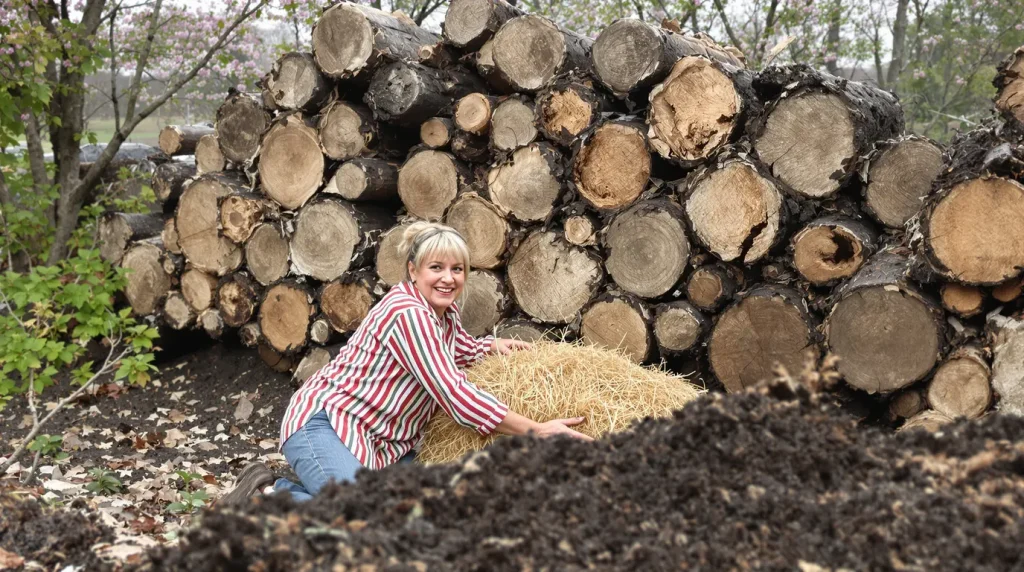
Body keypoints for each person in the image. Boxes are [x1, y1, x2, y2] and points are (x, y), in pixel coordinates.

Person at [221, 222, 591, 505]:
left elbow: (458, 348)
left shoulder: (441, 313)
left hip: (382, 442)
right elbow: (455, 395)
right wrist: (536, 430)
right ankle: (265, 494)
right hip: (325, 425)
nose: (448, 278)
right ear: (413, 270)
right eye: (437, 267)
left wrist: (492, 347)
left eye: (457, 269)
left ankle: (306, 492)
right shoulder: (407, 314)